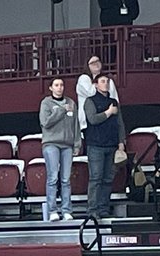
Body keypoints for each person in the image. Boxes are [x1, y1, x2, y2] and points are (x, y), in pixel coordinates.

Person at [83, 72, 126, 222]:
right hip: (95, 145)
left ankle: (103, 208)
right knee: (96, 178)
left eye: (107, 81)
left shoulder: (114, 101)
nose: (106, 84)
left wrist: (121, 141)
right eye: (102, 81)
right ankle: (92, 209)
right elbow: (93, 119)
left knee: (108, 178)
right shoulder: (90, 101)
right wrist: (108, 112)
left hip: (112, 144)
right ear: (95, 84)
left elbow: (120, 123)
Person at [39, 77, 80, 222]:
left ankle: (67, 210)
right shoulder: (46, 103)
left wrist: (77, 144)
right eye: (56, 85)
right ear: (51, 88)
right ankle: (52, 211)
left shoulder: (71, 103)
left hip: (67, 144)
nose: (59, 87)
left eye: (62, 85)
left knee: (66, 179)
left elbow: (76, 125)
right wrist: (60, 111)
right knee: (53, 178)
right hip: (51, 143)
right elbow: (45, 123)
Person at [75, 56, 119, 132]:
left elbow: (114, 98)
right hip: (88, 122)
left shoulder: (109, 81)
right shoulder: (83, 78)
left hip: (109, 120)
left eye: (98, 61)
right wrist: (97, 82)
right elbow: (91, 93)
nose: (96, 64)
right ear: (87, 66)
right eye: (92, 63)